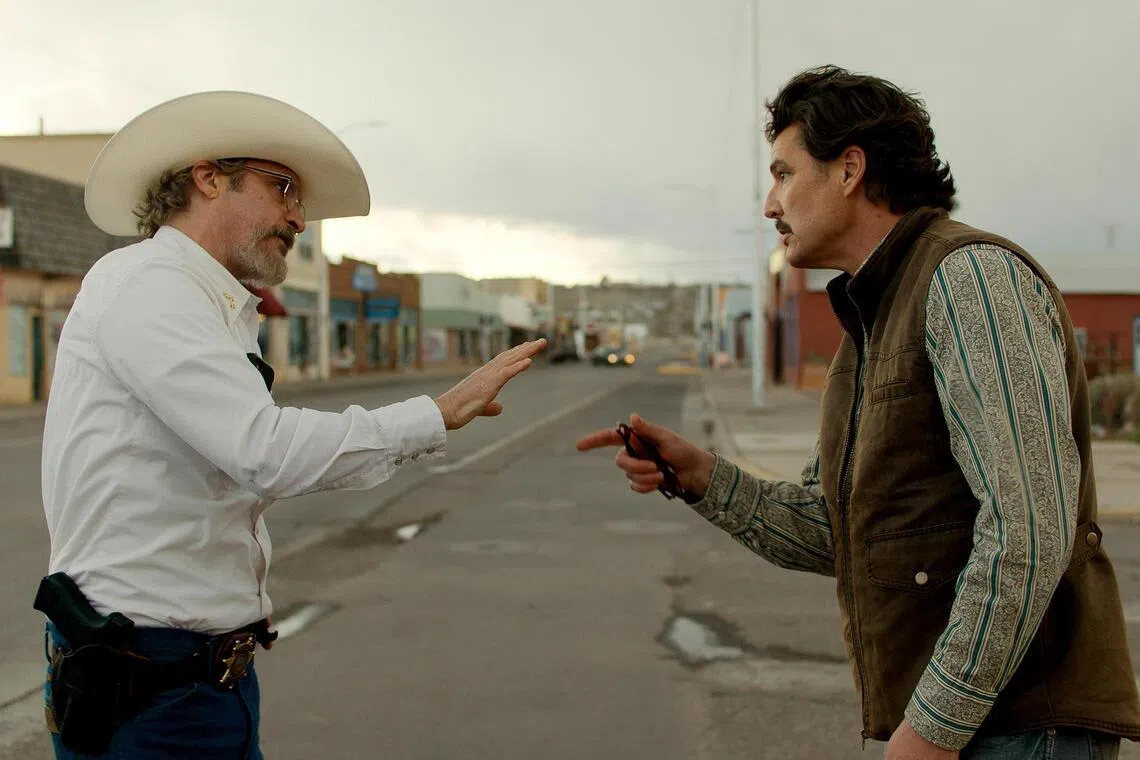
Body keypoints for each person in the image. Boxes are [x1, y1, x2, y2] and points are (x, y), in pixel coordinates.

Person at [578, 65, 1140, 760]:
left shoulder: (968, 280)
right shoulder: (868, 326)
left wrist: (934, 727)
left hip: (1021, 730)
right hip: (972, 729)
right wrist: (701, 477)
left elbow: (1027, 529)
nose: (769, 204)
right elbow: (837, 533)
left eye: (784, 174)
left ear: (849, 169)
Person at [37, 90, 546, 759]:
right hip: (149, 683)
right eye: (282, 189)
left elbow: (238, 470)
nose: (299, 217)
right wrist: (435, 414)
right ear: (208, 176)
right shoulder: (151, 285)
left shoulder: (205, 301)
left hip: (192, 679)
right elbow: (264, 451)